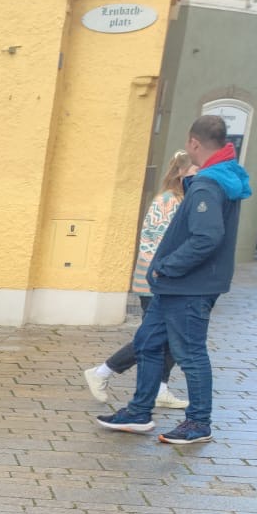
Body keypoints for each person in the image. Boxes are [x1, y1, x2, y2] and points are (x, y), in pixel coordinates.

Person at [96, 114, 249, 446]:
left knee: (190, 352)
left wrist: (167, 266)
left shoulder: (208, 183)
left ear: (194, 143)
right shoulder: (222, 177)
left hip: (188, 286)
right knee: (148, 343)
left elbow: (206, 238)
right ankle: (139, 412)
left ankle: (198, 422)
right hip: (178, 287)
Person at [83, 152, 189, 410]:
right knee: (152, 337)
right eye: (195, 170)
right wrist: (166, 276)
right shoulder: (168, 201)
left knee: (172, 337)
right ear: (181, 172)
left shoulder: (182, 200)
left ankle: (160, 389)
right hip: (157, 284)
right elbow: (155, 244)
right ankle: (102, 372)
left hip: (168, 282)